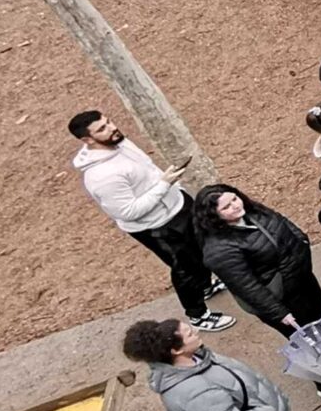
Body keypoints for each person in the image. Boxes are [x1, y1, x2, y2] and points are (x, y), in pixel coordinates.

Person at [69, 111, 226, 329]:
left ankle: (205, 287)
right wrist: (165, 184)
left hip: (177, 205)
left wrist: (175, 188)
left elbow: (148, 170)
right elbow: (128, 211)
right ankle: (198, 315)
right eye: (102, 129)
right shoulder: (102, 177)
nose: (112, 128)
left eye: (108, 121)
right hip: (158, 226)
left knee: (200, 251)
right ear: (87, 140)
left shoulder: (120, 143)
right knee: (185, 269)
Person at [123, 315, 290, 411]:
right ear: (176, 350)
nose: (196, 332)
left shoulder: (197, 358)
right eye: (189, 334)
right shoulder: (195, 392)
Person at [194, 182, 321, 339]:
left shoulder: (252, 211)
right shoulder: (219, 250)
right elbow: (247, 287)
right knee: (308, 336)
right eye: (226, 207)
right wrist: (279, 313)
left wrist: (301, 241)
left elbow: (281, 221)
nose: (236, 206)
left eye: (234, 199)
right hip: (282, 297)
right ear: (213, 216)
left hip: (301, 278)